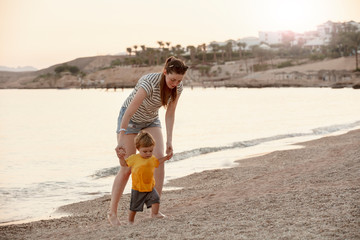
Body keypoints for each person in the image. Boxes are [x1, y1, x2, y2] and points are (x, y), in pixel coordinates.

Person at [108, 56, 189, 226]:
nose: (175, 83)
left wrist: (169, 140)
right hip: (130, 120)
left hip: (151, 120)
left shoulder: (178, 87)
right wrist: (121, 139)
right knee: (127, 168)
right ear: (165, 72)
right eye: (172, 79)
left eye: (178, 80)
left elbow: (170, 114)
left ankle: (155, 211)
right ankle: (112, 213)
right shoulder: (149, 82)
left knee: (158, 159)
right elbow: (128, 112)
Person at [118, 131, 173, 224]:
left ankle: (155, 214)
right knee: (134, 207)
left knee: (156, 200)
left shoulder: (152, 159)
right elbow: (124, 164)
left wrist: (166, 158)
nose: (148, 153)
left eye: (150, 151)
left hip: (150, 187)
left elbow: (158, 162)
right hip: (138, 188)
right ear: (138, 148)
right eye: (145, 151)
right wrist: (121, 158)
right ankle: (130, 221)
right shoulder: (134, 158)